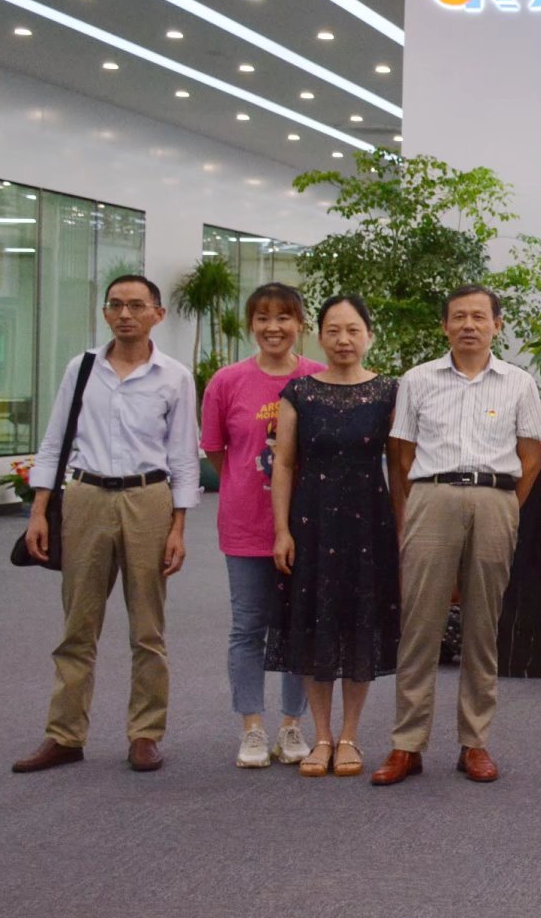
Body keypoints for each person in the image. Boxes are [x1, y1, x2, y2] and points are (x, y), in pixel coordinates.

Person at [14, 274, 199, 774]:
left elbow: (183, 455)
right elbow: (55, 441)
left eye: (136, 305)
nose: (125, 314)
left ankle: (145, 734)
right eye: (115, 305)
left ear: (157, 314)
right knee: (78, 625)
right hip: (86, 497)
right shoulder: (82, 368)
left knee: (147, 629)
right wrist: (39, 511)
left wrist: (178, 527)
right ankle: (65, 734)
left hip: (148, 499)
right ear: (104, 313)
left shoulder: (175, 377)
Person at [371, 285, 541, 786]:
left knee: (482, 628)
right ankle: (407, 744)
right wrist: (412, 513)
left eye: (479, 317)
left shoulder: (519, 383)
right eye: (459, 317)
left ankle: (475, 742)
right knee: (419, 626)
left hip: (495, 500)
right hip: (432, 497)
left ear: (497, 325)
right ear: (445, 326)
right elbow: (402, 456)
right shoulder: (418, 379)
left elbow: (531, 460)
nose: (469, 325)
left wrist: (505, 508)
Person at [266, 295, 401, 778]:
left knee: (359, 624)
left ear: (369, 335)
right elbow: (284, 464)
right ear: (318, 336)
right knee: (314, 623)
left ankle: (350, 736)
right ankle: (321, 736)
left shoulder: (389, 392)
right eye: (333, 330)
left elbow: (400, 467)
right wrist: (281, 530)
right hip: (311, 522)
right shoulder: (299, 393)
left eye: (353, 330)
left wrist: (403, 528)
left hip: (369, 522)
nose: (344, 340)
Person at [200, 282, 322, 769]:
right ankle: (252, 726)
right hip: (246, 523)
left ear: (300, 324)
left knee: (298, 627)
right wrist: (248, 481)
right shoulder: (227, 381)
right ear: (251, 324)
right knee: (248, 626)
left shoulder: (317, 378)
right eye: (263, 318)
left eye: (284, 317)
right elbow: (216, 451)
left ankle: (293, 724)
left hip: (306, 524)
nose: (274, 327)